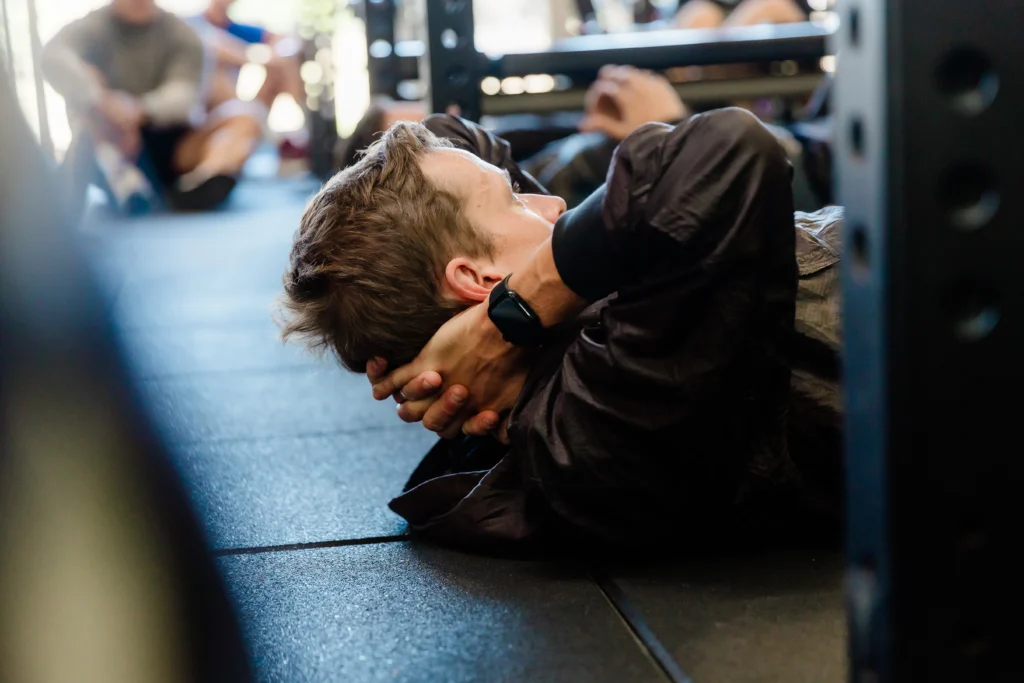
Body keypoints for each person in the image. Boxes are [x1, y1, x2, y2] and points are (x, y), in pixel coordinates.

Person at [280, 109, 843, 553]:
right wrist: (516, 308)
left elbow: (449, 138)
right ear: (476, 278)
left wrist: (497, 323)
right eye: (514, 199)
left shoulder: (559, 353)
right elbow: (729, 146)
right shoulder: (589, 423)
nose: (552, 203)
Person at [41, 0, 262, 213]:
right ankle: (123, 178)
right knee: (87, 78)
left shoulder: (182, 33)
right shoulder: (90, 27)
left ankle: (202, 182)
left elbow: (185, 96)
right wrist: (101, 100)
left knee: (244, 117)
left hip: (173, 144)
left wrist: (138, 109)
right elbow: (53, 57)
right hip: (109, 135)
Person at [186, 0, 310, 163]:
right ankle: (280, 133)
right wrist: (259, 57)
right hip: (201, 117)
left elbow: (285, 41)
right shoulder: (192, 25)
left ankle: (300, 133)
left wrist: (275, 56)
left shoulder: (237, 29)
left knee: (284, 65)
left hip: (234, 110)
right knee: (218, 72)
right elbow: (214, 47)